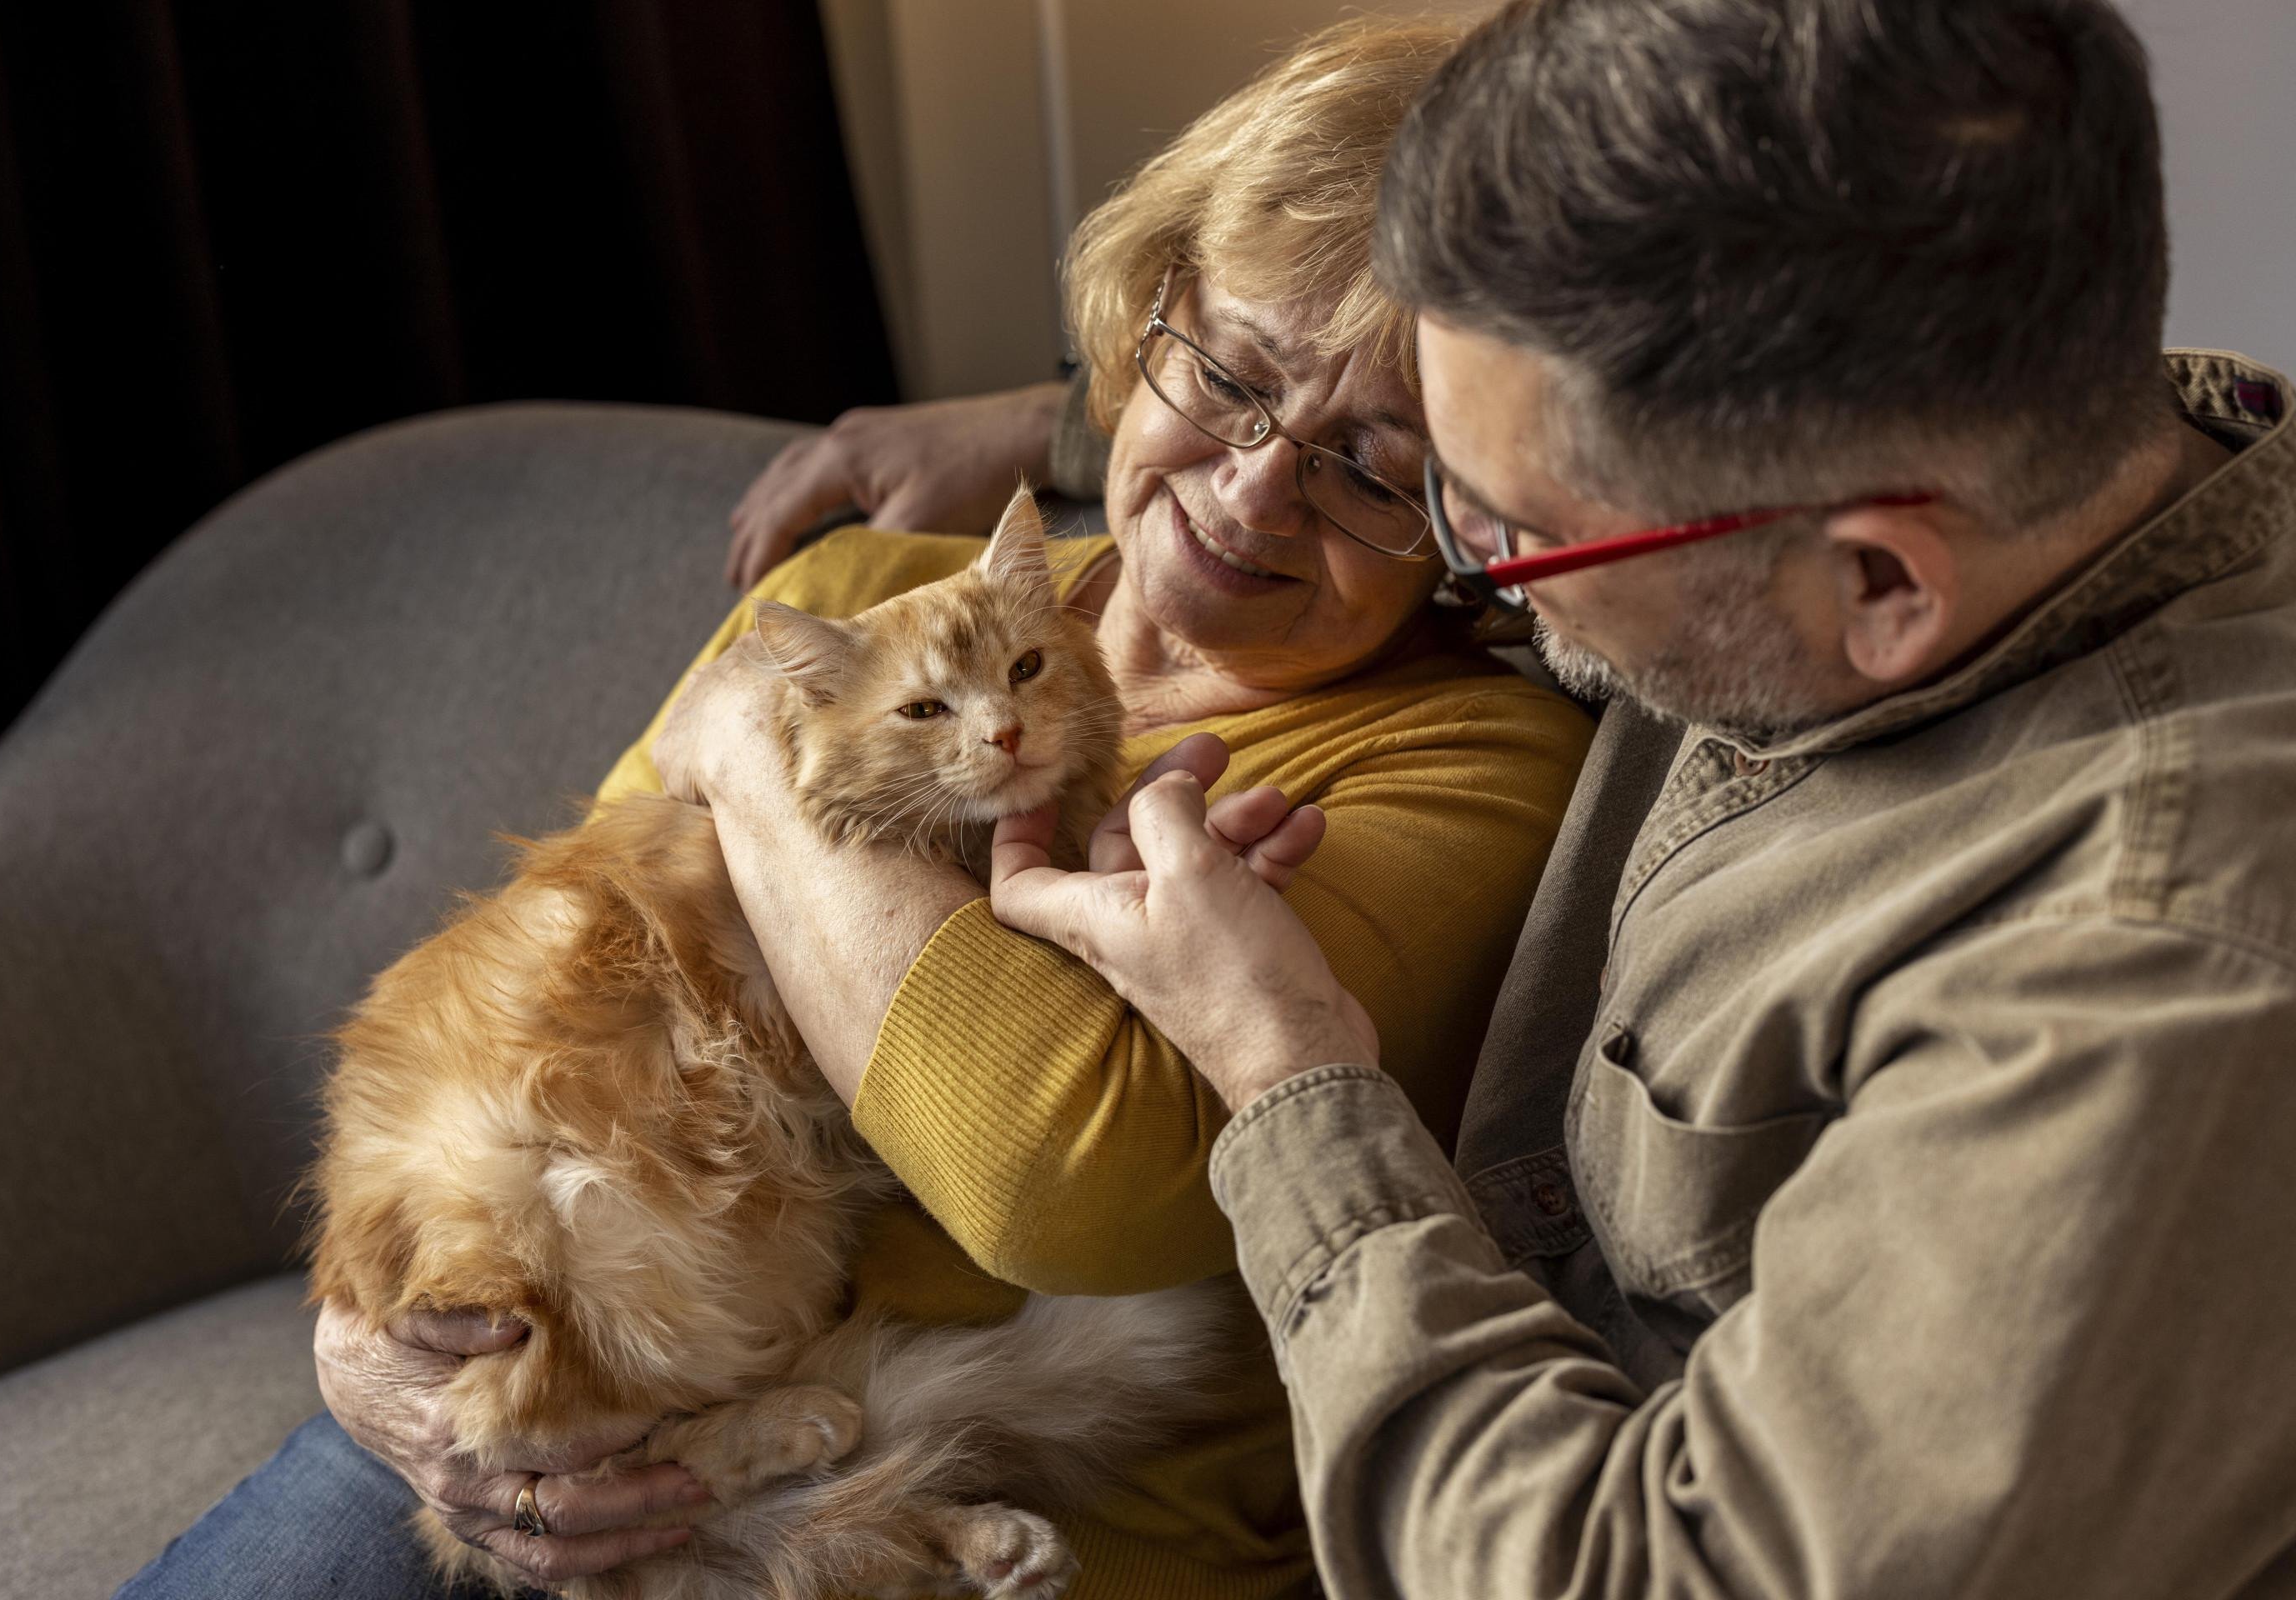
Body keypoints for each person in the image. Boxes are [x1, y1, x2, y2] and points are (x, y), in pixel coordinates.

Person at [118, 18, 1596, 1600]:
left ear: (1480, 507)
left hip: (982, 1513)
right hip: (571, 1388)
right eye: (1228, 375)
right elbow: (543, 995)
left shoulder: (1477, 763)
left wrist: (757, 757)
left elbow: (1060, 1181)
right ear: (1149, 319)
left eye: (1371, 470)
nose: (1249, 490)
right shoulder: (843, 595)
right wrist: (375, 1342)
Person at [978, 0, 2296, 1595]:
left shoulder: (2148, 973)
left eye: (1499, 527)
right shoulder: (1970, 430)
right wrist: (1078, 421)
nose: (1475, 572)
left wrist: (1284, 1070)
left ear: (1880, 588)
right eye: (1431, 473)